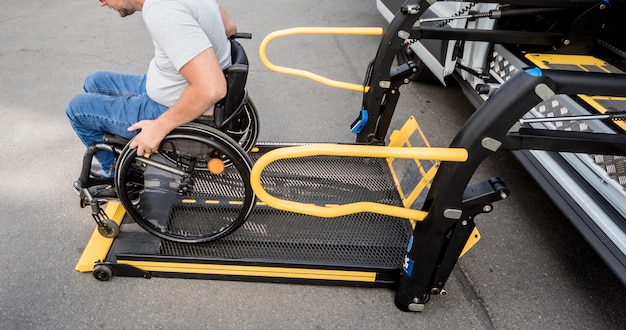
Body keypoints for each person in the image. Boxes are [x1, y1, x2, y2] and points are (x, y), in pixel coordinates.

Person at [67, 0, 237, 187]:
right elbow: (229, 27)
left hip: (171, 106)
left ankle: (124, 177)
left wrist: (160, 126)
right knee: (95, 81)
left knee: (78, 109)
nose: (102, 3)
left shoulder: (164, 12)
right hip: (168, 87)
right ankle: (124, 154)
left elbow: (211, 88)